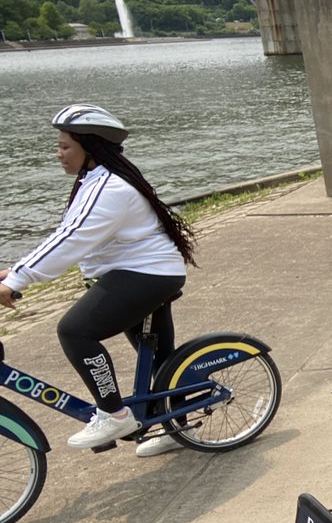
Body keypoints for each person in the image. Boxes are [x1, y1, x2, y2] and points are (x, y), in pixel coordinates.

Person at [0, 104, 196, 458]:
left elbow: (72, 240)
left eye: (64, 146)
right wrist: (16, 270)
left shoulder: (109, 188)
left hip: (147, 273)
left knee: (75, 331)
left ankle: (114, 414)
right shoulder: (94, 180)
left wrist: (19, 278)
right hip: (142, 271)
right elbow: (67, 235)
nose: (58, 153)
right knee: (160, 359)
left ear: (90, 147)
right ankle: (177, 426)